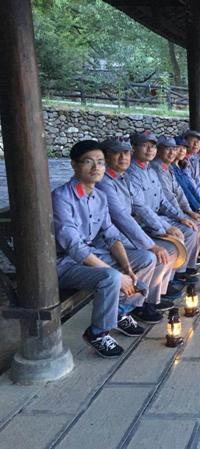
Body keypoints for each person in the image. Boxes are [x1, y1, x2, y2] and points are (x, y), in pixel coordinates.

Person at [53, 140, 157, 358]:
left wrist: (127, 268)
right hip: (64, 264)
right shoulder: (61, 197)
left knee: (147, 258)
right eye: (88, 162)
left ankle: (120, 311)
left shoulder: (99, 196)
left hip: (92, 254)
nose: (96, 167)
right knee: (110, 277)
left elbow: (111, 235)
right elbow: (74, 246)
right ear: (74, 165)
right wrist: (117, 274)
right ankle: (97, 332)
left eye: (100, 162)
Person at [97, 137, 182, 322]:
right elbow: (121, 217)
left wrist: (165, 227)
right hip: (110, 240)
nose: (123, 157)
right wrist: (151, 245)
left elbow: (140, 205)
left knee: (168, 248)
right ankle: (128, 307)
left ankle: (148, 299)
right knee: (152, 256)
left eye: (126, 153)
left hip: (126, 234)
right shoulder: (104, 182)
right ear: (106, 156)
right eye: (116, 153)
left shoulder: (124, 177)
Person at [127, 132, 200, 285]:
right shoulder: (131, 172)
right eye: (145, 146)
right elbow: (141, 208)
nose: (149, 150)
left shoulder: (150, 170)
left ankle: (178, 273)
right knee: (175, 241)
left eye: (152, 146)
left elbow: (163, 200)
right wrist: (166, 228)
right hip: (142, 224)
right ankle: (167, 282)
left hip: (156, 219)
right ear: (134, 148)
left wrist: (181, 217)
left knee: (189, 228)